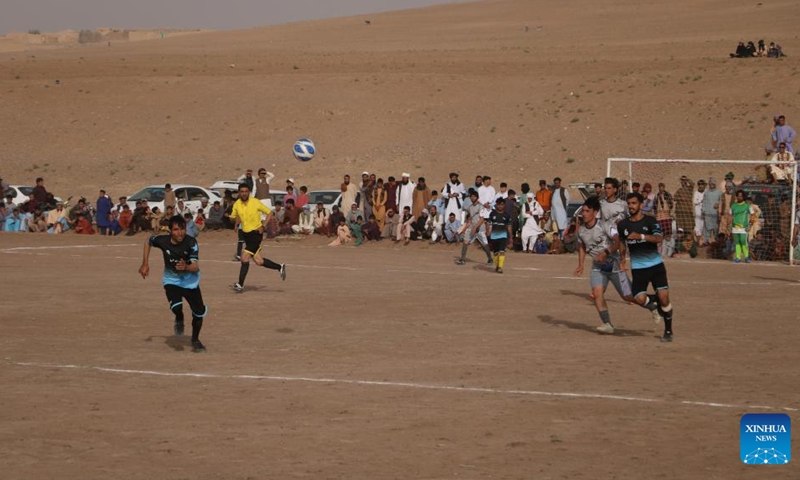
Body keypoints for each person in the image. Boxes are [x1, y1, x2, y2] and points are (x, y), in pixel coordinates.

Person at [575, 196, 662, 334]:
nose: (583, 213)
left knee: (628, 296)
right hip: (598, 267)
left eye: (587, 211)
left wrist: (606, 252)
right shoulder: (581, 231)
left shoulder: (605, 225)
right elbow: (582, 247)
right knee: (597, 294)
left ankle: (653, 306)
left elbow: (618, 242)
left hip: (614, 265)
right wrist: (580, 264)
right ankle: (607, 324)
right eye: (583, 211)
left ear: (595, 212)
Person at [139, 215, 208, 352]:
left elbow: (195, 267)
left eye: (182, 229)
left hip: (190, 282)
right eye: (176, 229)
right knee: (177, 308)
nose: (180, 233)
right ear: (170, 230)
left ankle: (195, 339)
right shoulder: (163, 240)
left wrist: (186, 267)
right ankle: (179, 317)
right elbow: (148, 241)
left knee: (198, 314)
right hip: (172, 280)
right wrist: (145, 263)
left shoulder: (191, 242)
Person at [618, 193, 675, 342]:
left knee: (665, 298)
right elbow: (622, 243)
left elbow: (659, 238)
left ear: (641, 205)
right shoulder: (622, 225)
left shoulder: (650, 220)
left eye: (634, 203)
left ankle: (668, 331)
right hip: (638, 268)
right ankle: (654, 302)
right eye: (629, 203)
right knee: (639, 298)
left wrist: (641, 236)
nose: (631, 206)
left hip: (656, 266)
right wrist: (622, 259)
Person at [229, 183, 286, 292]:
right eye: (242, 191)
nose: (244, 193)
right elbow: (233, 217)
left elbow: (270, 213)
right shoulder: (237, 204)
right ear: (239, 192)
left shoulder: (255, 202)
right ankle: (280, 267)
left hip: (256, 234)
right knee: (259, 261)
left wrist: (263, 225)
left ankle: (240, 284)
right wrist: (235, 222)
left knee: (244, 257)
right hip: (246, 235)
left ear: (249, 192)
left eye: (246, 191)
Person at [455, 190, 494, 265]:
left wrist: (475, 228)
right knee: (465, 242)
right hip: (472, 228)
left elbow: (482, 219)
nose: (472, 198)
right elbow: (470, 219)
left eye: (474, 196)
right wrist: (465, 229)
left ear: (477, 197)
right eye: (471, 196)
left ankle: (490, 259)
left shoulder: (481, 206)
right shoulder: (470, 207)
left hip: (480, 228)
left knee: (484, 244)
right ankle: (462, 259)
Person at [487, 200, 513, 274]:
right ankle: (497, 265)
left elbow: (509, 226)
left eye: (502, 205)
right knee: (495, 252)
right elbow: (488, 223)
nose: (500, 206)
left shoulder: (507, 215)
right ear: (496, 205)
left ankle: (500, 267)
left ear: (504, 205)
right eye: (499, 205)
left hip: (503, 235)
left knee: (502, 251)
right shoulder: (492, 214)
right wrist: (487, 231)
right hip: (494, 236)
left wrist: (510, 237)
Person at [730, 190, 754, 263]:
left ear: (743, 197)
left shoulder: (747, 206)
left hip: (744, 227)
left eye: (741, 196)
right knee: (737, 242)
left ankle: (746, 257)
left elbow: (753, 216)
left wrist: (749, 225)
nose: (739, 197)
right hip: (735, 227)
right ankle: (738, 257)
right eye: (738, 196)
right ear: (736, 197)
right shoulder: (733, 206)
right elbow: (730, 216)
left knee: (743, 242)